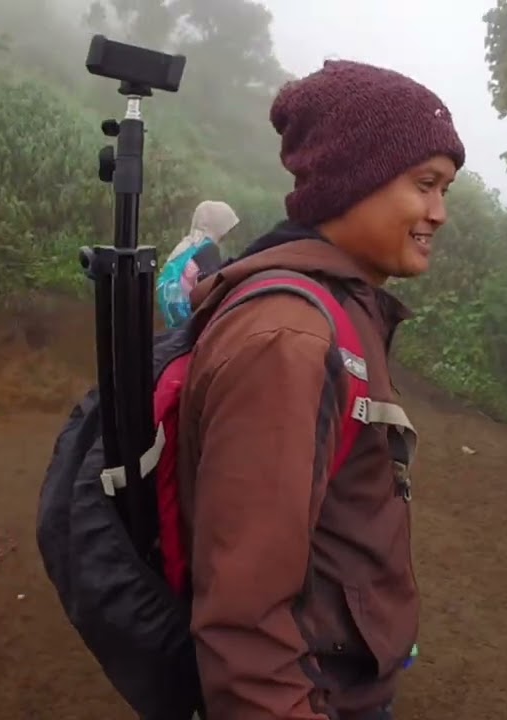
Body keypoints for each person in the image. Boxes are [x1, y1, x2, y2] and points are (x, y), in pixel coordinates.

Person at [174, 59, 464, 720]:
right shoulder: (290, 338)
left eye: (445, 189)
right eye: (425, 184)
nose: (439, 213)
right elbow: (244, 624)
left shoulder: (344, 306)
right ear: (350, 181)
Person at [155, 199, 238, 328]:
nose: (226, 234)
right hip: (189, 316)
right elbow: (213, 286)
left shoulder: (187, 244)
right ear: (218, 226)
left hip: (173, 315)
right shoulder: (208, 248)